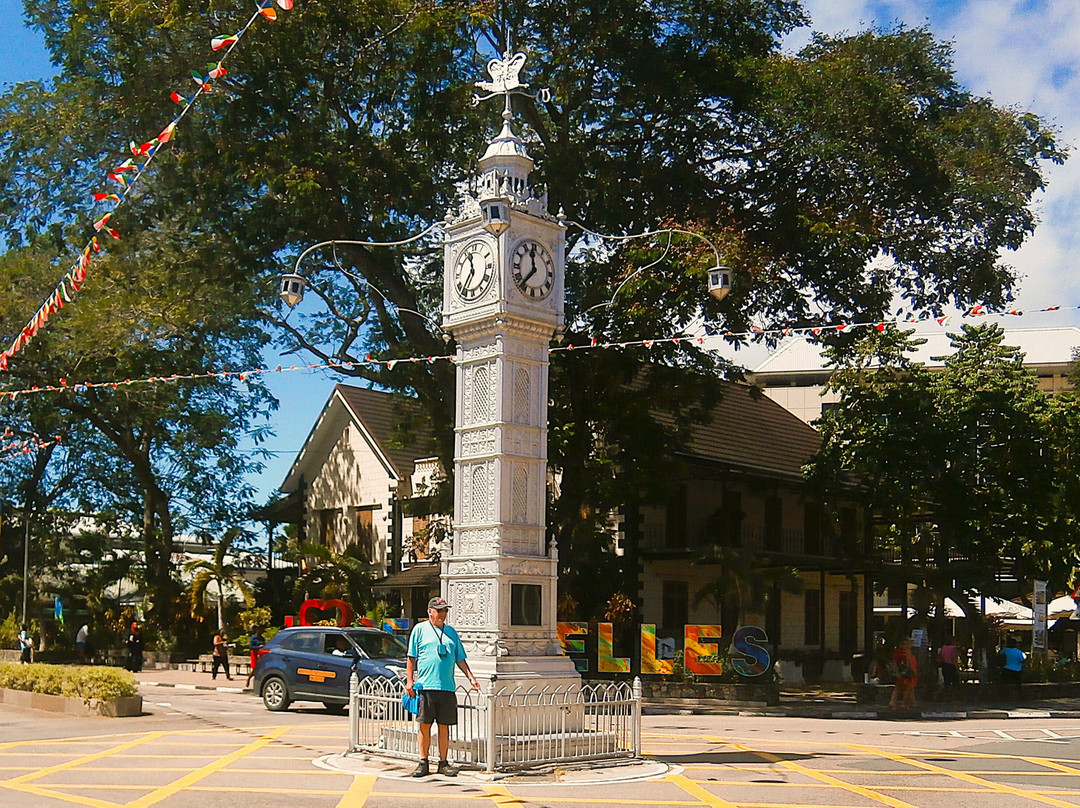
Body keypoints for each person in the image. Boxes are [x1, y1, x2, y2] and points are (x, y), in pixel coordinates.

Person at [405, 597, 479, 778]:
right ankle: (423, 762)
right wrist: (409, 681)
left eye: (445, 611)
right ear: (430, 611)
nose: (443, 614)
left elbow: (460, 657)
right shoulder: (419, 630)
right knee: (425, 726)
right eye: (439, 611)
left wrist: (471, 677)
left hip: (446, 687)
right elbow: (411, 657)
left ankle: (443, 763)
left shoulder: (451, 632)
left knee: (444, 726)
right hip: (426, 686)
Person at [890, 637, 917, 709]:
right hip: (904, 671)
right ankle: (898, 703)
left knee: (909, 688)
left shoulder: (907, 651)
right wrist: (897, 672)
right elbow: (896, 663)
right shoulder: (901, 652)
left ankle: (910, 702)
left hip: (907, 671)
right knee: (901, 688)